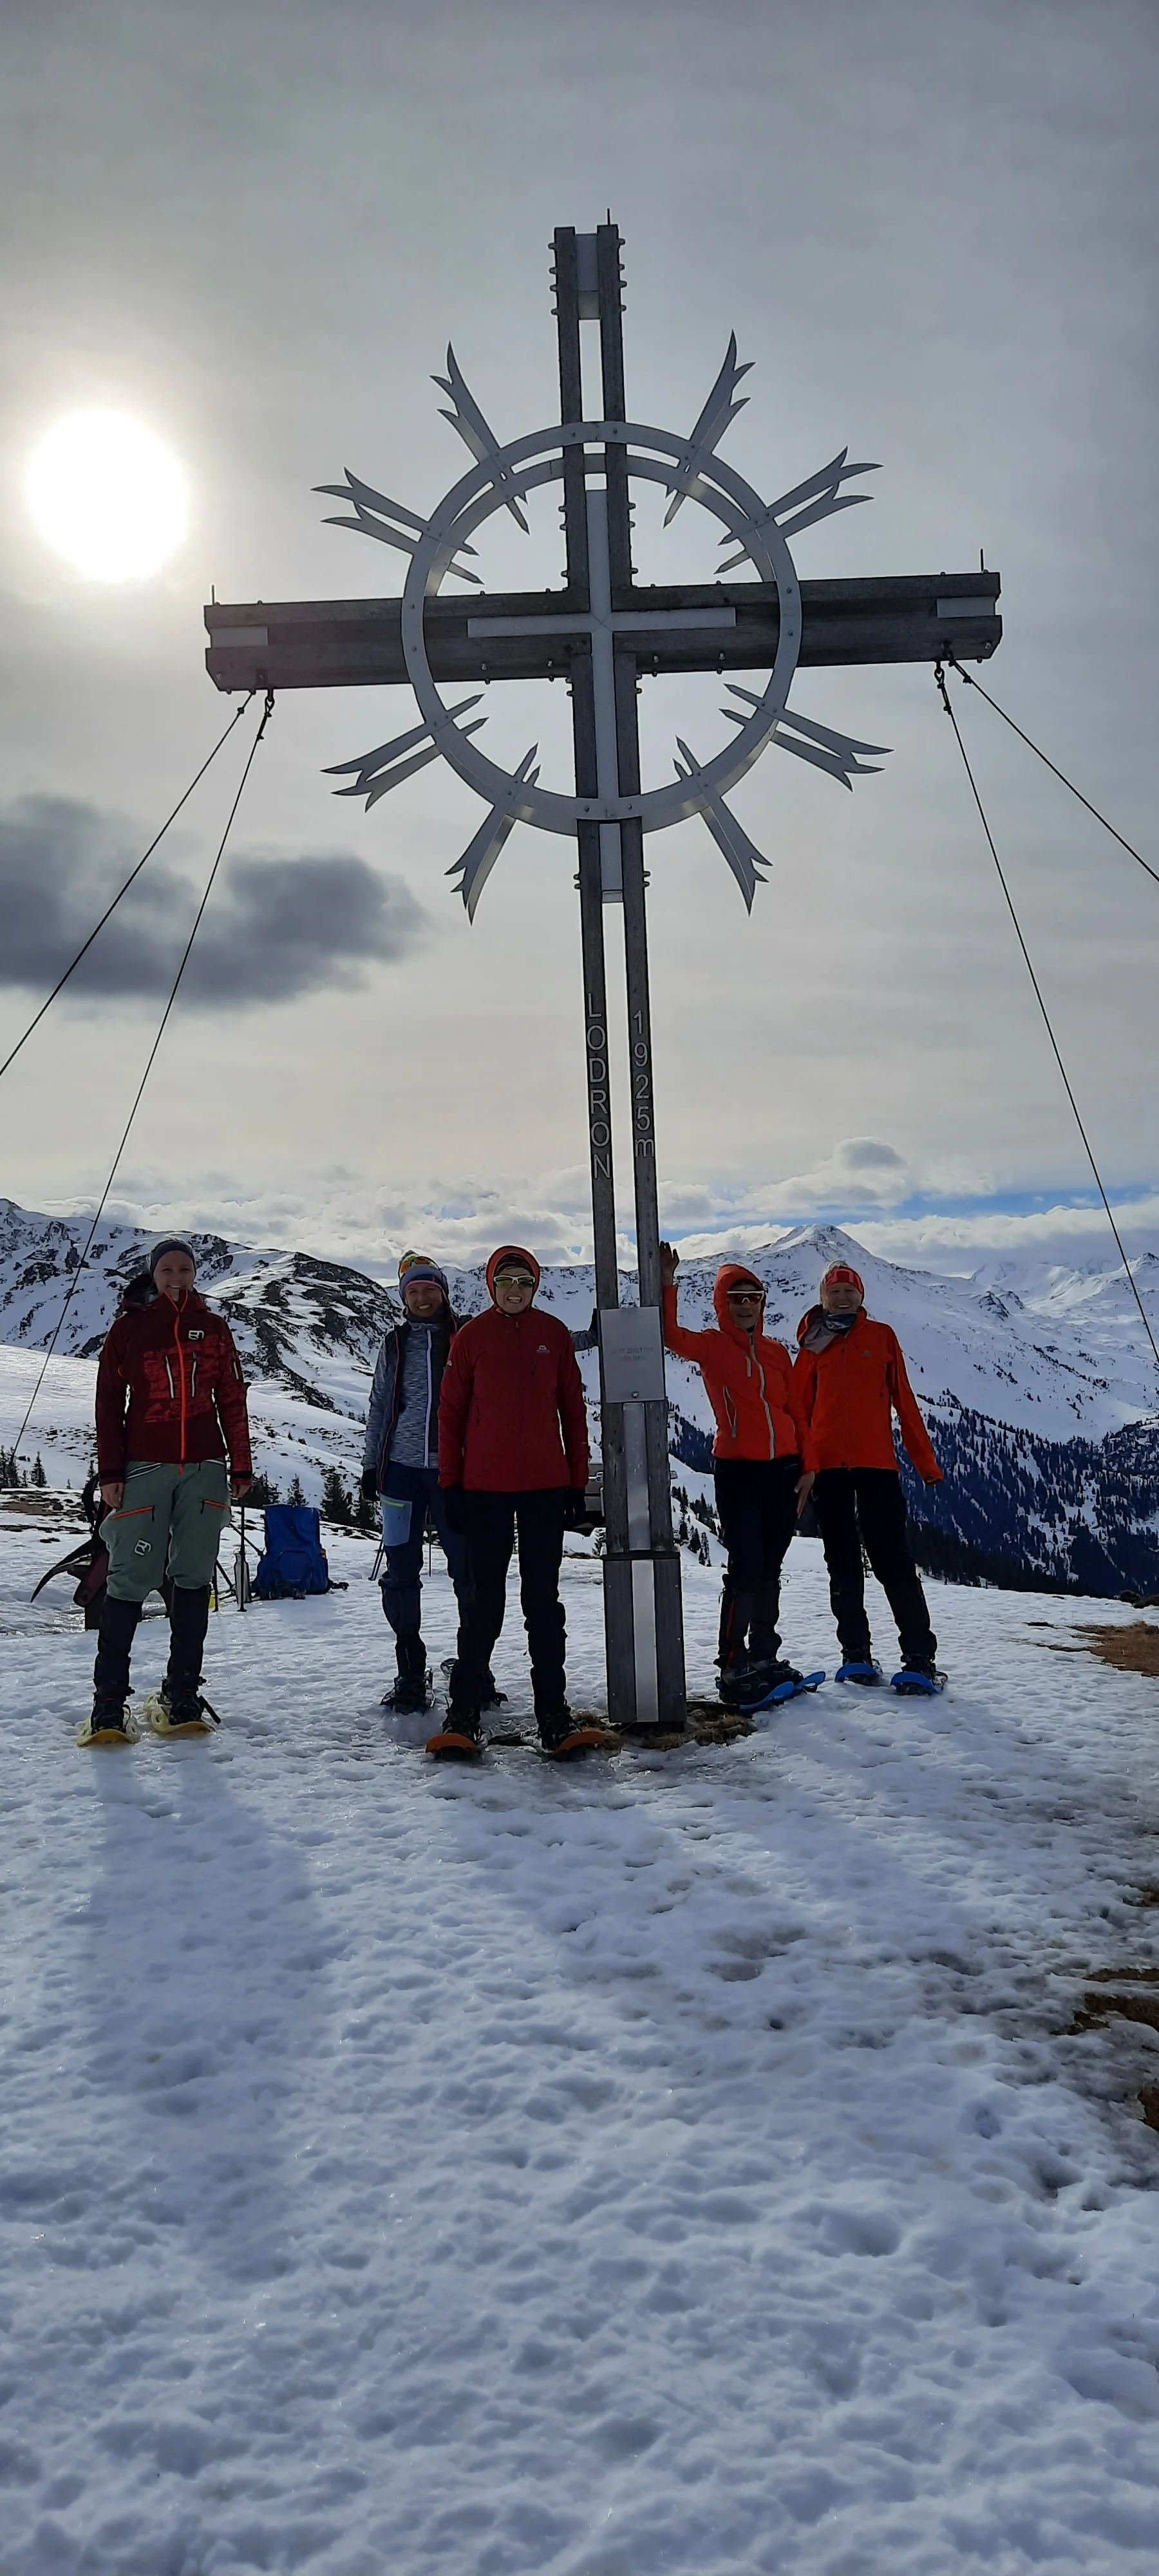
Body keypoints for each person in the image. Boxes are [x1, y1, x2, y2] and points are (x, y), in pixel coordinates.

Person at [79, 1238, 253, 1746]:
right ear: (153, 1275)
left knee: (194, 1577)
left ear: (196, 1273)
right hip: (144, 1468)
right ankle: (109, 1703)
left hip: (204, 1468)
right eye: (167, 1270)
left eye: (185, 1269)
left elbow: (233, 1399)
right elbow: (108, 1403)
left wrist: (239, 1465)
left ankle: (182, 1695)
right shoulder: (129, 1329)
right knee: (130, 1578)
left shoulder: (215, 1329)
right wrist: (111, 1472)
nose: (176, 1278)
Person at [434, 1244, 592, 1756]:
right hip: (485, 1490)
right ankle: (464, 1716)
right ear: (491, 1286)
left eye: (524, 1281)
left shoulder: (554, 1337)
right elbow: (451, 1414)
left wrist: (575, 1482)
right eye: (507, 1282)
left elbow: (573, 1409)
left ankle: (555, 1717)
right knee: (484, 1606)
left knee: (542, 1603)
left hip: (545, 1486)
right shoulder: (471, 1337)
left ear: (536, 1286)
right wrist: (451, 1485)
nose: (516, 1290)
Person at [660, 1243, 814, 1705]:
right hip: (739, 1470)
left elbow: (794, 1411)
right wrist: (669, 1283)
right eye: (737, 1297)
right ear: (722, 1303)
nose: (746, 1305)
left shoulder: (775, 1353)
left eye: (754, 1297)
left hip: (784, 1470)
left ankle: (765, 1657)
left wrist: (809, 1467)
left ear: (763, 1303)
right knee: (745, 1569)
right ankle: (732, 1665)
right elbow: (669, 1334)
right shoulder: (711, 1346)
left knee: (770, 1568)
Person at [793, 1260, 943, 1690]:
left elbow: (905, 1401)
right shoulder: (812, 1344)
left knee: (893, 1562)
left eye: (849, 1291)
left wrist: (926, 1463)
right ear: (823, 1299)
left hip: (877, 1465)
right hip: (828, 1471)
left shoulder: (881, 1338)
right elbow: (799, 1408)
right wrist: (804, 1463)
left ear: (861, 1298)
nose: (842, 1298)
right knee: (842, 1565)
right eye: (834, 1292)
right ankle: (855, 1654)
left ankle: (919, 1658)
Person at [360, 1255, 491, 1716]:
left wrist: (594, 1337)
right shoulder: (393, 1344)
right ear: (403, 1298)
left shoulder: (468, 1335)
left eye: (429, 1289)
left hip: (456, 1474)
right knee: (400, 1573)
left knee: (468, 1572)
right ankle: (410, 1671)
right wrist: (370, 1463)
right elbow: (379, 1404)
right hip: (400, 1472)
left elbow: (525, 1347)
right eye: (413, 1291)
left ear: (442, 1292)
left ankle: (475, 1667)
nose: (421, 1297)